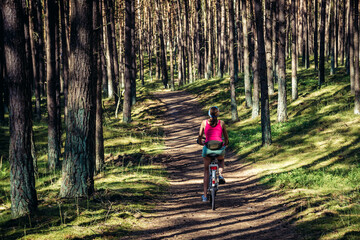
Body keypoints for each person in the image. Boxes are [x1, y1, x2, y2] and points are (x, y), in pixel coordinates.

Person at [197, 106, 229, 202]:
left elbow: (199, 137)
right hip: (219, 149)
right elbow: (226, 138)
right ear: (218, 113)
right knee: (221, 159)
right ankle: (220, 174)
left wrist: (200, 142)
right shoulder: (222, 123)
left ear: (209, 114)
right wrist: (225, 143)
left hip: (208, 150)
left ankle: (205, 196)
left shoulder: (204, 123)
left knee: (206, 171)